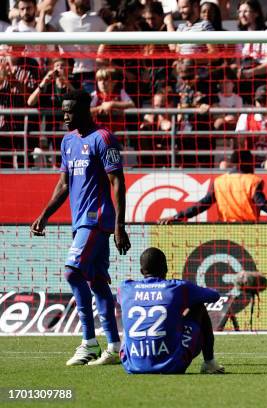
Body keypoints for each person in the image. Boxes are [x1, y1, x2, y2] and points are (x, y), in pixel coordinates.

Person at [30, 89, 131, 366]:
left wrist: (120, 226)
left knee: (72, 272)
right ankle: (113, 345)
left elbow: (117, 182)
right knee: (97, 283)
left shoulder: (103, 138)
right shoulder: (67, 142)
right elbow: (63, 184)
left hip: (96, 218)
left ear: (85, 111)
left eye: (70, 111)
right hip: (80, 222)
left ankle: (88, 342)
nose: (64, 116)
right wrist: (45, 214)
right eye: (63, 110)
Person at [119, 247, 225, 374]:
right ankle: (210, 363)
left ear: (141, 271)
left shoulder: (125, 288)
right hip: (172, 364)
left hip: (131, 365)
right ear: (166, 268)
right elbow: (215, 296)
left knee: (128, 318)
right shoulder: (177, 287)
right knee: (198, 306)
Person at [159, 150, 267, 224]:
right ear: (247, 163)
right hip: (249, 230)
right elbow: (263, 204)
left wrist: (177, 217)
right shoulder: (253, 181)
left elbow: (202, 205)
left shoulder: (219, 181)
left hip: (225, 231)